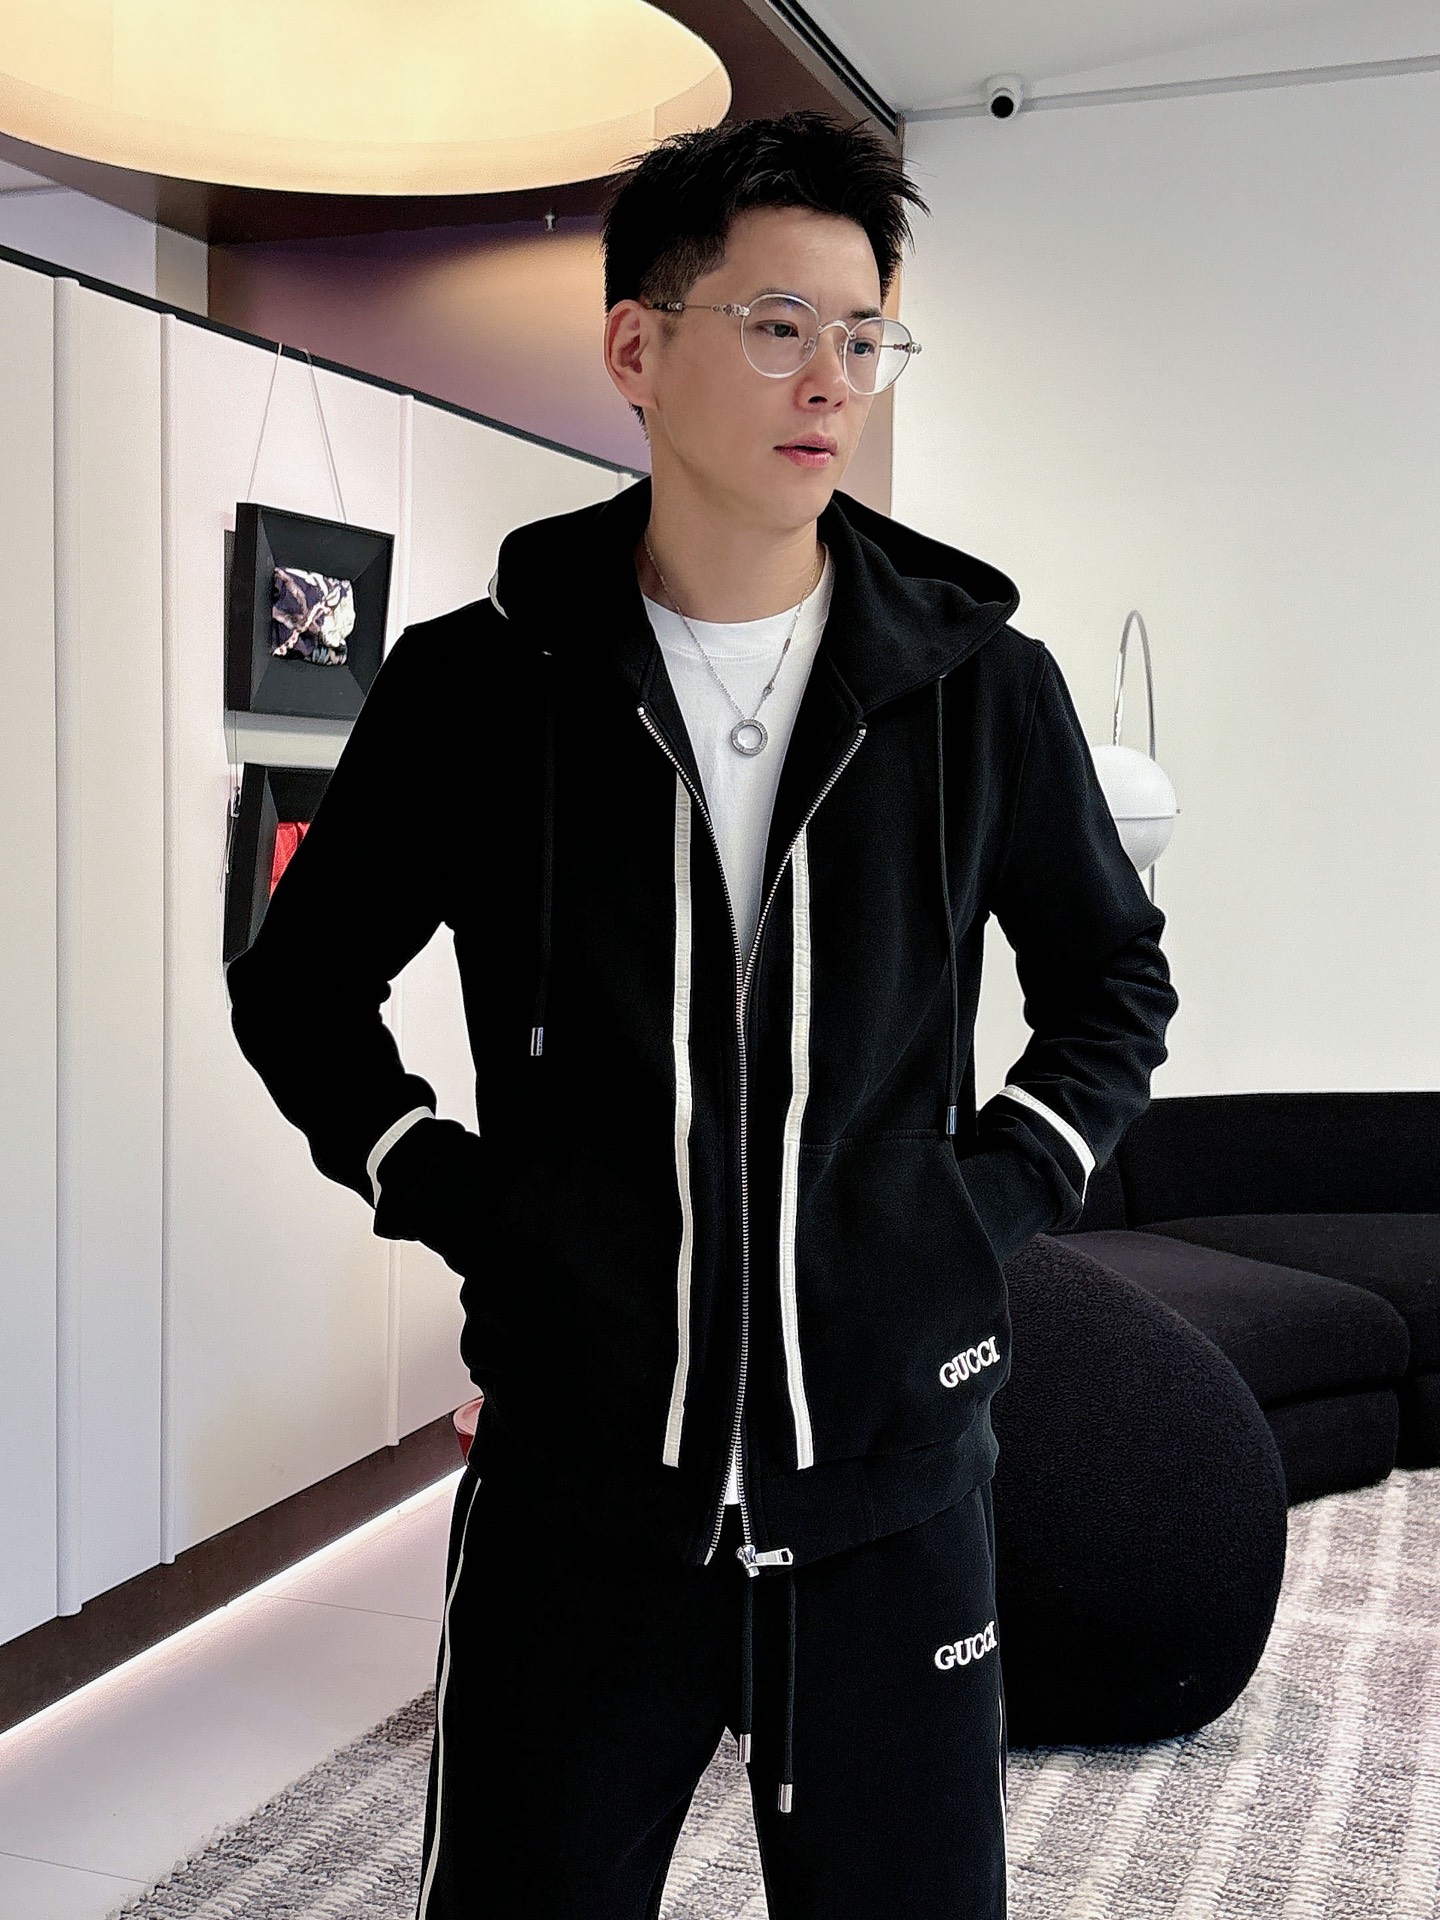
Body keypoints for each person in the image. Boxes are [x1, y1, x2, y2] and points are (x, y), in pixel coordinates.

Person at [226, 108, 1179, 1920]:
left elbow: (1110, 983)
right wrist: (456, 1190)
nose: (832, 379)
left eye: (865, 335)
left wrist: (975, 1210)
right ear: (636, 348)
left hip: (893, 1488)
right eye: (776, 324)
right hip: (580, 1492)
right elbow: (300, 984)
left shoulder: (981, 688)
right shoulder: (479, 687)